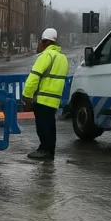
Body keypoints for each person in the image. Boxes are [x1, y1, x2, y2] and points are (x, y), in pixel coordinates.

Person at [22, 27, 70, 160]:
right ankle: (49, 151)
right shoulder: (62, 58)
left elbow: (34, 77)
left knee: (42, 125)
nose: (40, 44)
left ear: (46, 42)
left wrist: (26, 96)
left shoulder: (46, 56)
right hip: (54, 100)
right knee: (50, 125)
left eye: (41, 41)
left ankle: (44, 150)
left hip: (42, 98)